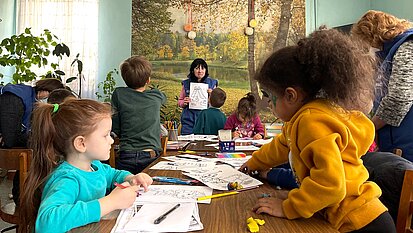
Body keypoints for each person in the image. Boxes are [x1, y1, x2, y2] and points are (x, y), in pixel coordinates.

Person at [240, 28, 396, 232]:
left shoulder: (311, 121)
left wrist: (289, 207)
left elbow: (330, 185)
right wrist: (253, 163)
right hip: (354, 217)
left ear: (290, 95)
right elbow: (279, 146)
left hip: (361, 223)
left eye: (269, 96)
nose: (268, 104)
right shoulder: (301, 119)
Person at [19, 99, 153, 233]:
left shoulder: (95, 167)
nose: (111, 140)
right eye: (105, 135)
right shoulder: (67, 179)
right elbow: (46, 222)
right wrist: (111, 202)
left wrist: (131, 178)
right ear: (81, 144)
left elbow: (113, 175)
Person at [351, 10, 413, 161]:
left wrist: (369, 127)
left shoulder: (407, 47)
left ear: (372, 36)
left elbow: (400, 99)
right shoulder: (388, 53)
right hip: (396, 141)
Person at [111, 56, 166, 174]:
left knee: (124, 187)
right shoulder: (156, 96)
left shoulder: (119, 94)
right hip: (150, 155)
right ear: (148, 80)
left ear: (125, 78)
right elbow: (163, 97)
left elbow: (115, 126)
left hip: (127, 154)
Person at [0, 78, 64, 148]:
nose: (50, 101)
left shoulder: (32, 104)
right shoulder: (16, 98)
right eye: (51, 95)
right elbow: (10, 139)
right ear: (43, 89)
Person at [178, 58, 218, 135]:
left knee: (204, 145)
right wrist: (184, 102)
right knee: (187, 144)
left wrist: (212, 95)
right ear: (193, 70)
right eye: (197, 68)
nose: (200, 71)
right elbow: (180, 101)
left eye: (202, 68)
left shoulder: (212, 83)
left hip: (206, 121)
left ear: (206, 70)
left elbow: (216, 104)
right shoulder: (186, 83)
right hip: (189, 121)